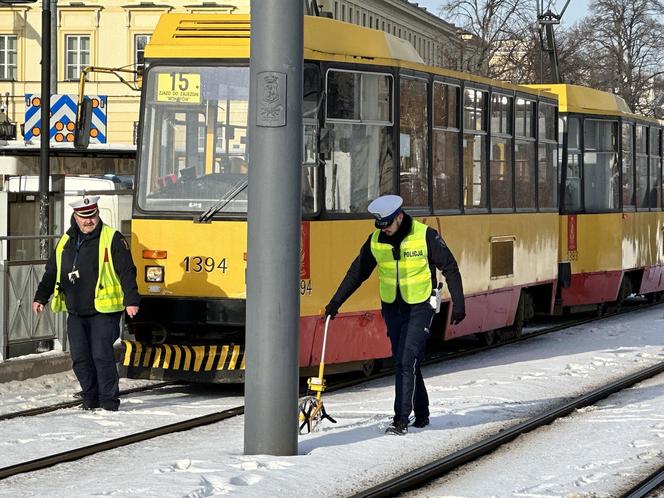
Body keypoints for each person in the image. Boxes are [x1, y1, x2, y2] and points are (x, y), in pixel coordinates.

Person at [324, 194, 465, 435]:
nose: (384, 230)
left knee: (405, 360)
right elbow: (356, 273)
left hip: (420, 306)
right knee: (405, 359)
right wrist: (335, 302)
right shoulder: (376, 241)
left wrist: (459, 304)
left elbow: (449, 266)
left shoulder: (425, 235)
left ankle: (401, 420)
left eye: (387, 225)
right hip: (393, 308)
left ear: (399, 217)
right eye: (380, 226)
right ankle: (422, 413)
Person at [32, 195, 140, 411]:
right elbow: (52, 272)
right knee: (80, 358)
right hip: (76, 310)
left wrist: (131, 300)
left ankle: (109, 402)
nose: (89, 221)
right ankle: (90, 399)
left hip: (104, 310)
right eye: (84, 217)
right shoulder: (65, 240)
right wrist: (40, 297)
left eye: (93, 216)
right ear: (75, 217)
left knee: (101, 355)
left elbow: (127, 271)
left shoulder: (112, 238)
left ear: (98, 214)